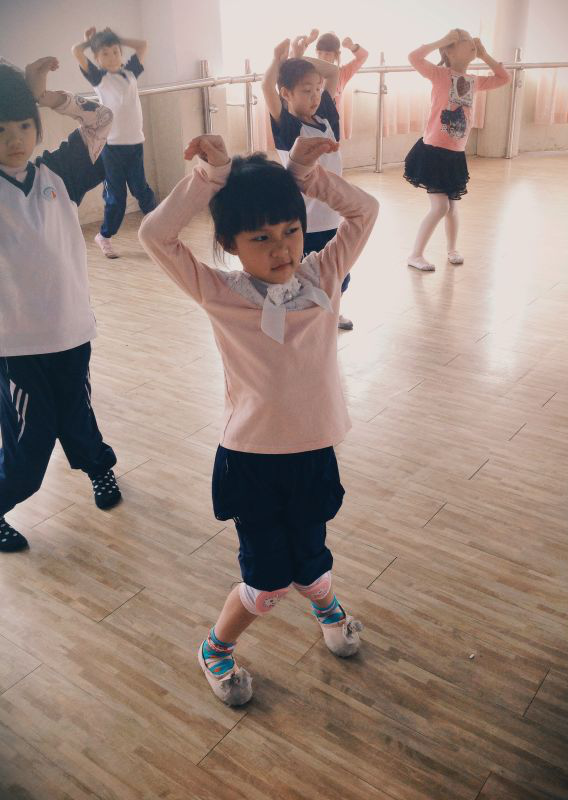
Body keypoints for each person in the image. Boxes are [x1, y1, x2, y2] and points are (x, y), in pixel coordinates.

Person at [138, 133, 379, 705]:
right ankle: (215, 647)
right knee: (268, 583)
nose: (281, 248)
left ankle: (327, 607)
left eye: (290, 230)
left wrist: (304, 176)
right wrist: (213, 178)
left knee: (312, 558)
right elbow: (155, 235)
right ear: (229, 244)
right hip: (252, 461)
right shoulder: (220, 292)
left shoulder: (324, 275)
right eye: (261, 238)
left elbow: (364, 211)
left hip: (314, 453)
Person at [0, 57, 121, 553]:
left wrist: (43, 96)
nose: (15, 139)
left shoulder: (59, 171)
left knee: (77, 414)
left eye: (23, 125)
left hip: (71, 332)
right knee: (30, 440)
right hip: (17, 347)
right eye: (1, 129)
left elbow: (101, 118)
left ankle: (99, 468)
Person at [262, 39, 354, 331]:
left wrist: (299, 58)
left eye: (317, 89)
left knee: (340, 275)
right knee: (303, 276)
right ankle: (297, 320)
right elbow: (267, 88)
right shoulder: (289, 125)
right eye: (306, 90)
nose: (315, 96)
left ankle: (329, 313)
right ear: (286, 93)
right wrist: (280, 61)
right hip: (305, 222)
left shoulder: (324, 116)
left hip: (332, 217)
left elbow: (333, 73)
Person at [404, 29, 510, 271]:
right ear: (450, 51)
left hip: (455, 154)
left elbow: (504, 78)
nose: (472, 43)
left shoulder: (474, 81)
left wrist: (485, 55)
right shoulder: (439, 74)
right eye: (465, 41)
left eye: (473, 41)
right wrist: (441, 41)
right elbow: (414, 57)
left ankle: (452, 249)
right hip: (433, 152)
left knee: (452, 206)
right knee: (440, 207)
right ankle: (415, 254)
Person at [72, 26, 156, 258]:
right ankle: (104, 236)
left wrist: (117, 38)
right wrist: (91, 42)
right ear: (97, 58)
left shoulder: (130, 72)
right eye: (105, 54)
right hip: (111, 148)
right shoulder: (99, 77)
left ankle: (160, 229)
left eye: (115, 52)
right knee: (117, 197)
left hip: (135, 144)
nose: (111, 57)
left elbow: (143, 45)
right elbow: (76, 51)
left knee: (141, 190)